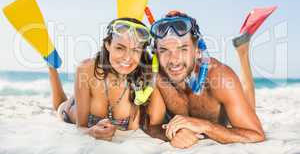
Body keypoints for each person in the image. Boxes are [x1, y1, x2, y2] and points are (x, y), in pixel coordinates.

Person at [146, 10, 266, 148]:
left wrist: (206, 126)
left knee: (249, 108)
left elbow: (256, 134)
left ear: (197, 51)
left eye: (183, 49)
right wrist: (173, 133)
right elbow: (153, 127)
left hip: (222, 119)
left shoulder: (219, 76)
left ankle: (242, 51)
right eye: (164, 50)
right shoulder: (158, 77)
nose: (173, 60)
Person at [49, 18, 166, 141]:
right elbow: (80, 127)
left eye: (135, 50)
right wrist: (90, 132)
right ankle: (51, 66)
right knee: (59, 106)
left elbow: (134, 131)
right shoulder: (86, 68)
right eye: (120, 48)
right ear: (108, 45)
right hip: (69, 112)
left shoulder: (141, 80)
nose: (127, 57)